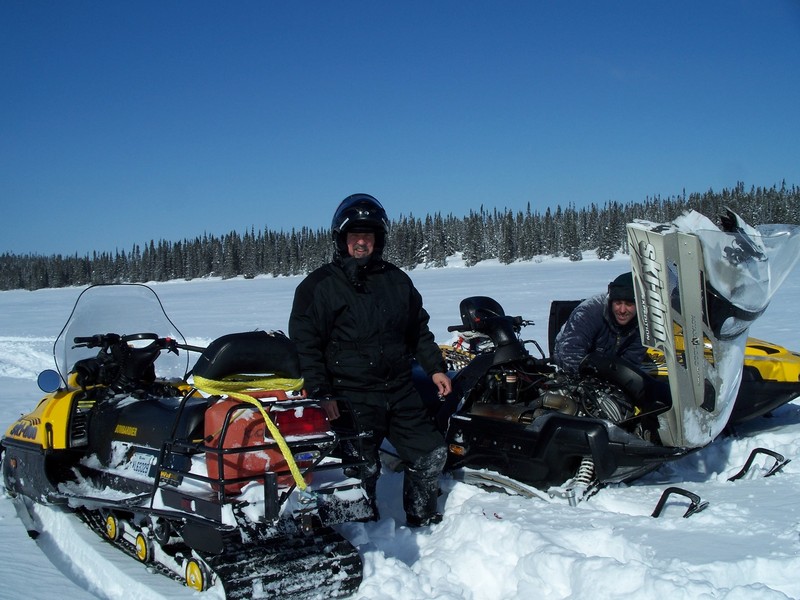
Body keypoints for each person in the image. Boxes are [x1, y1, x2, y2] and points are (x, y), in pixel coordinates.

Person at [289, 193, 452, 527]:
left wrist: (435, 368)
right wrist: (322, 392)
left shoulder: (397, 281)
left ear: (379, 239)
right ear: (341, 239)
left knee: (430, 453)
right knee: (360, 469)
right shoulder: (320, 286)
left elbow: (417, 329)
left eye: (368, 235)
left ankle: (420, 521)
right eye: (354, 236)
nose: (361, 242)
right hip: (350, 394)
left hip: (399, 388)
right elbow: (306, 343)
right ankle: (365, 535)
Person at [552, 271, 647, 373]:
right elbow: (570, 353)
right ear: (611, 302)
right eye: (618, 303)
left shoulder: (643, 323)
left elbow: (631, 362)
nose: (622, 310)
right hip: (575, 367)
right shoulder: (589, 312)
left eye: (629, 304)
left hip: (608, 368)